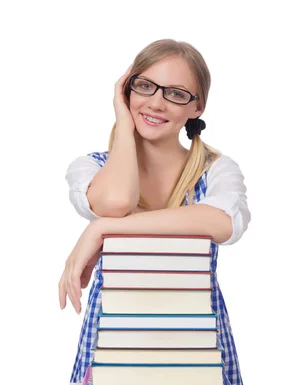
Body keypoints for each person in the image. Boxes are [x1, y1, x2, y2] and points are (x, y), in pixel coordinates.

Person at [58, 39, 251, 385]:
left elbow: (222, 223)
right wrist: (123, 120)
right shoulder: (91, 168)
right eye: (145, 86)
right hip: (113, 346)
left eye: (176, 93)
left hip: (198, 347)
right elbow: (115, 202)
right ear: (127, 90)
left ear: (197, 107)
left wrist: (101, 230)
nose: (156, 102)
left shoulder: (216, 170)